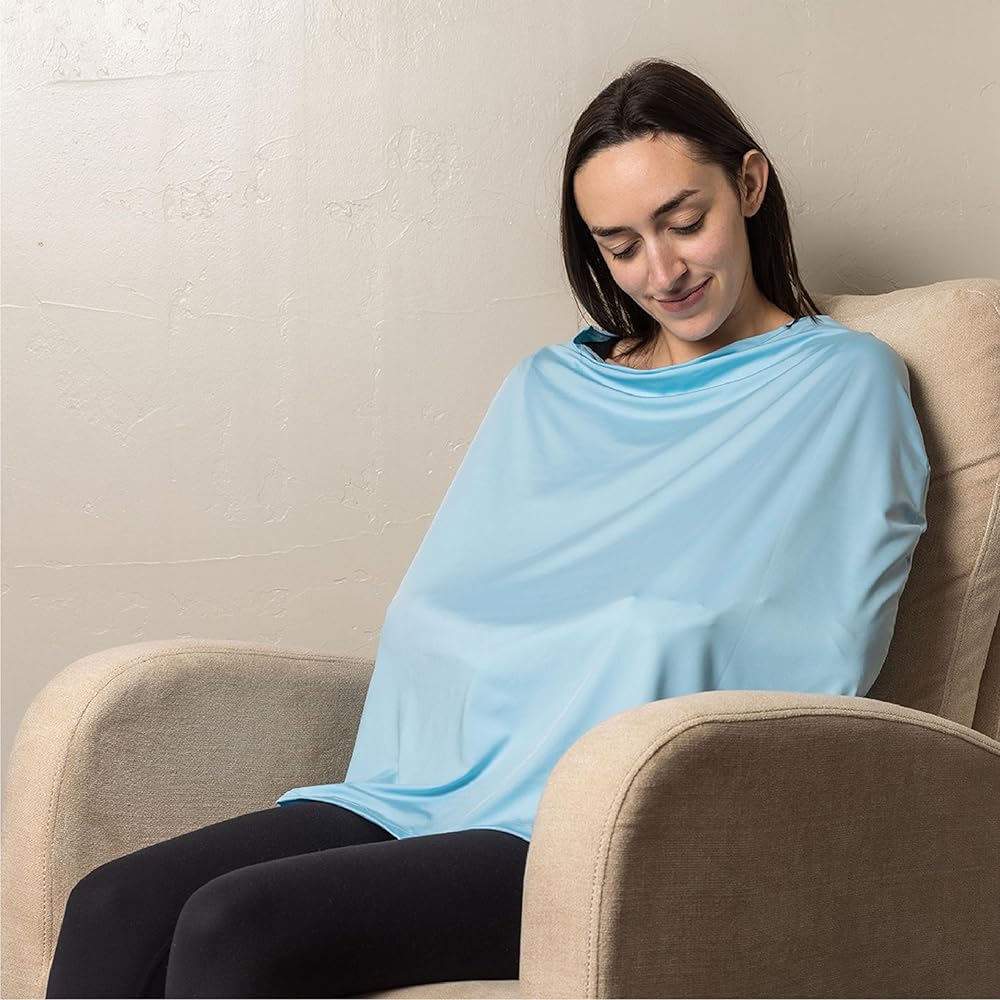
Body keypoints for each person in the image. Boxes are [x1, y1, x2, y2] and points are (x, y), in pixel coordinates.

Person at [45, 57, 929, 999]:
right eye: (621, 245)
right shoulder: (551, 389)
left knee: (235, 926)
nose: (662, 272)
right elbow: (454, 600)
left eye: (684, 222)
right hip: (414, 791)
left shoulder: (842, 384)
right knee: (111, 904)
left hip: (593, 829)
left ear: (748, 186)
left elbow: (819, 642)